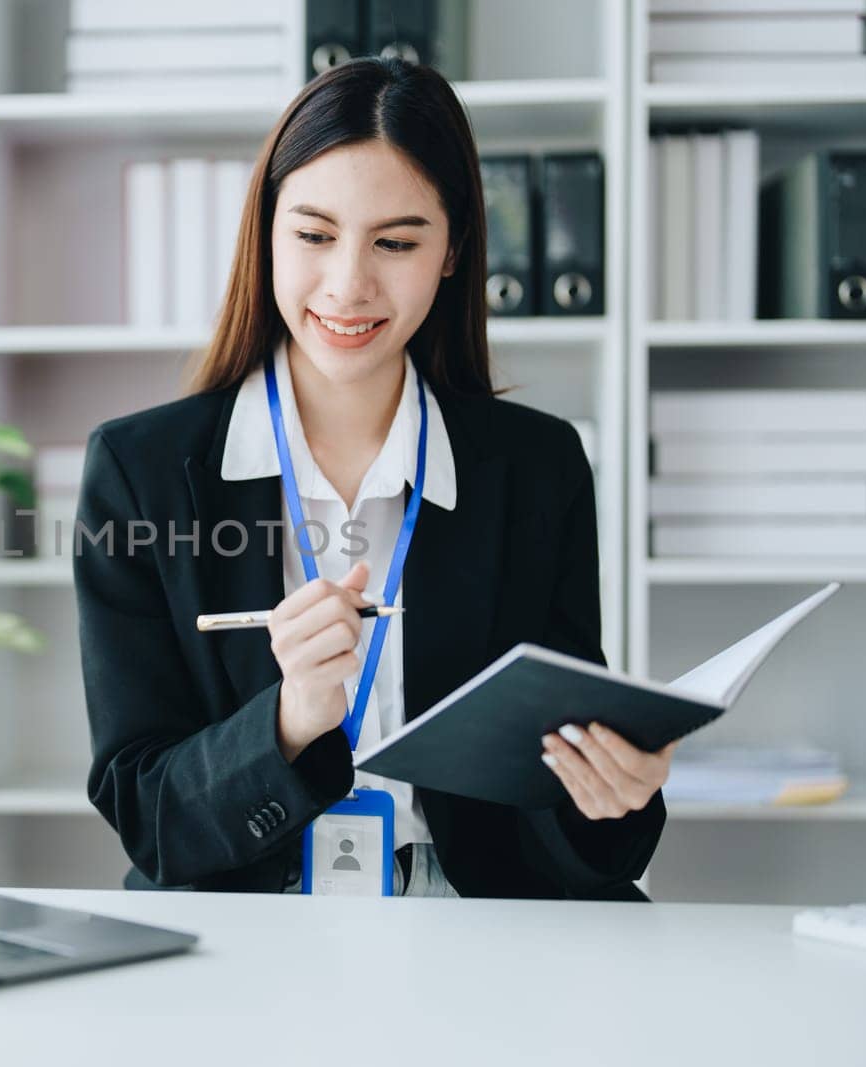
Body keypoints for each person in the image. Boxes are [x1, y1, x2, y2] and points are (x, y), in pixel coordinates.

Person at [72, 58, 675, 900]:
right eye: (314, 235)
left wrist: (612, 794)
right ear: (267, 232)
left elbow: (575, 822)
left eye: (395, 242)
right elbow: (145, 810)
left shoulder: (537, 468)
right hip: (258, 919)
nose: (349, 285)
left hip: (482, 918)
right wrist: (286, 725)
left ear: (453, 250)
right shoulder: (140, 474)